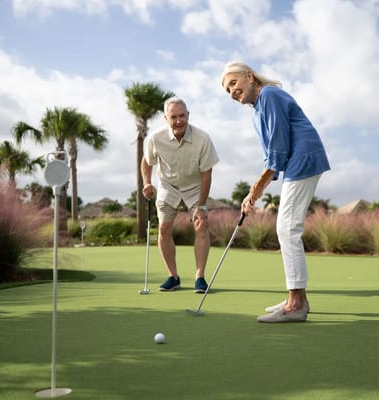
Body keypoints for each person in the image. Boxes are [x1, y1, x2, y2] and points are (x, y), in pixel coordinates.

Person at [220, 61, 330, 323]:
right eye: (227, 91)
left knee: (287, 228)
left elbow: (278, 146)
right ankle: (296, 297)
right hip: (297, 162)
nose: (232, 92)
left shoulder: (268, 94)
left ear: (249, 76)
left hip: (303, 159)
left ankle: (297, 304)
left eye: (233, 83)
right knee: (287, 227)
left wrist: (255, 189)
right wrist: (256, 191)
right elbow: (273, 153)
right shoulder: (257, 110)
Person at [141, 96, 219, 293]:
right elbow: (146, 161)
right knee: (164, 229)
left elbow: (206, 174)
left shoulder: (203, 138)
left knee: (202, 226)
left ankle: (200, 277)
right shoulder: (155, 138)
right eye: (173, 116)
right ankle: (173, 277)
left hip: (195, 187)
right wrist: (147, 182)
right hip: (168, 186)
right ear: (165, 118)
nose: (178, 121)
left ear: (188, 115)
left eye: (182, 116)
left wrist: (201, 207)